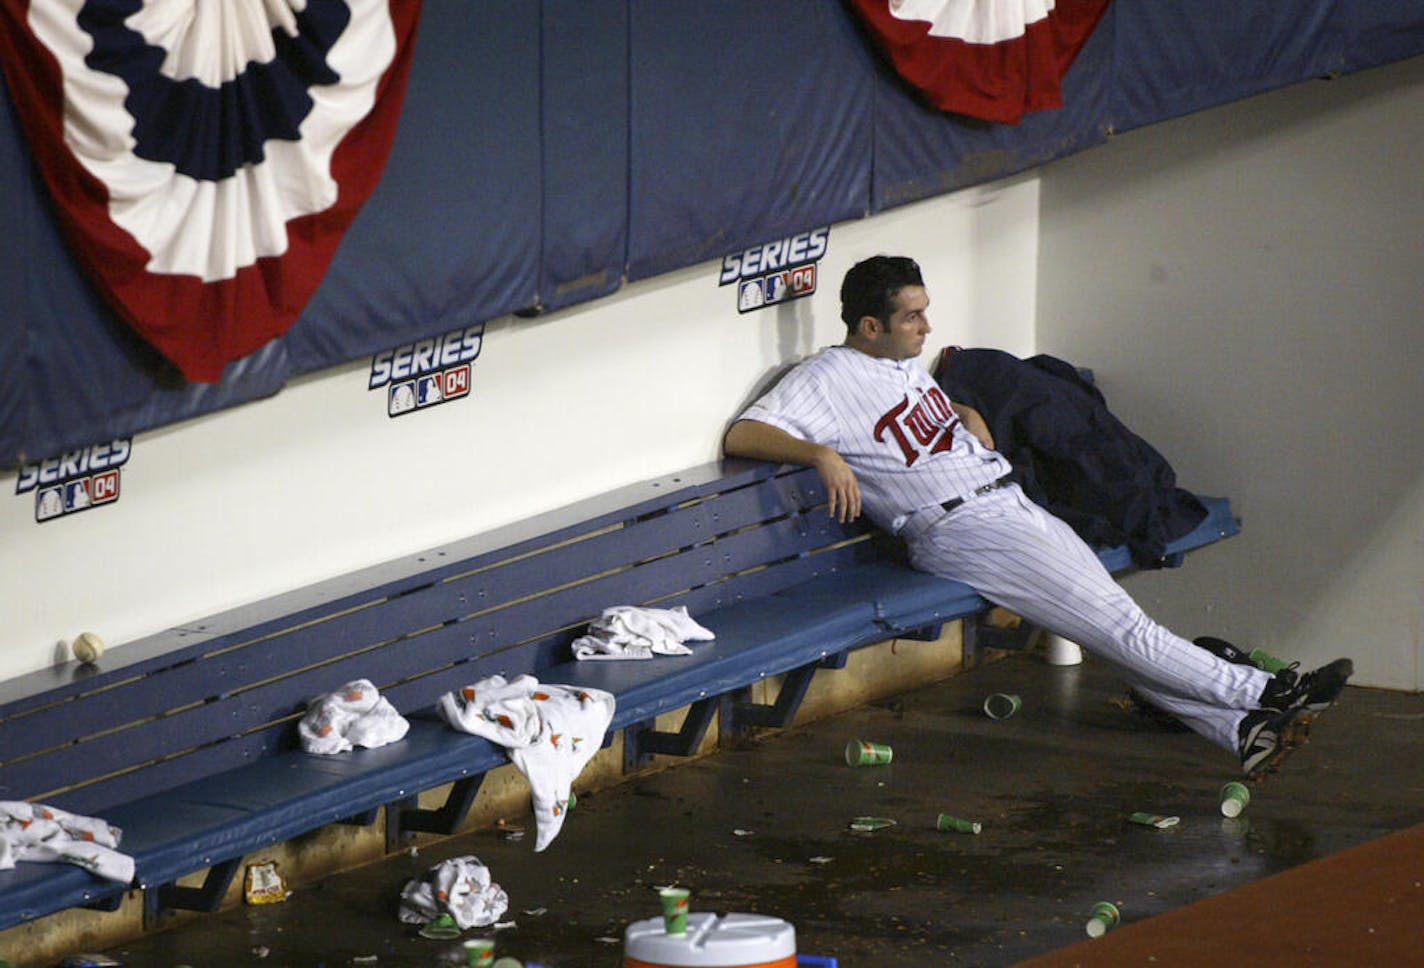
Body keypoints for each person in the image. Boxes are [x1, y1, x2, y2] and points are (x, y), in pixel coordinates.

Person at [722, 255, 1353, 779]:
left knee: (1113, 630)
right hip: (961, 528)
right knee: (1123, 628)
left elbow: (919, 427)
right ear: (868, 325)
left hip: (1004, 504)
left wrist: (964, 414)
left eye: (923, 310)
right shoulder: (828, 376)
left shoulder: (899, 365)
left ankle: (1240, 732)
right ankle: (1265, 695)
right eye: (911, 316)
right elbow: (744, 434)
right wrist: (819, 453)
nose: (925, 326)